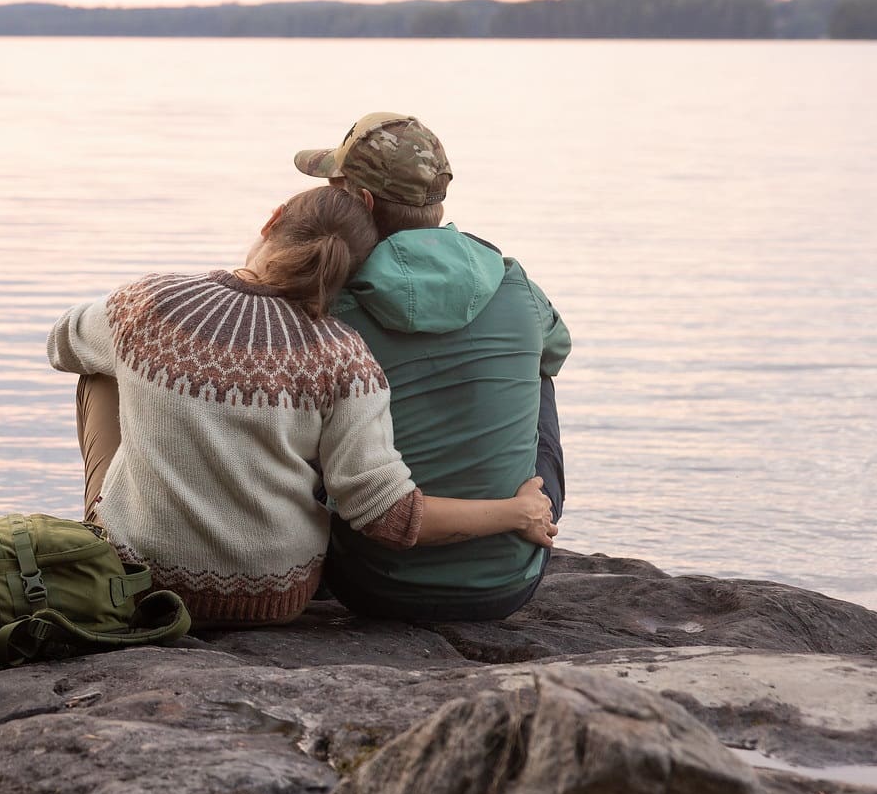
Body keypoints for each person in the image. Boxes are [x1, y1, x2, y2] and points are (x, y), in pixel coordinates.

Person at [47, 185, 555, 628]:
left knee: (101, 367)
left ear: (272, 220)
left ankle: (113, 530)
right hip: (275, 595)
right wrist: (515, 512)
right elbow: (386, 514)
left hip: (144, 580)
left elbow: (61, 344)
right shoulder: (344, 353)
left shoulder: (151, 300)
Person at [294, 112, 569, 621]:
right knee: (537, 369)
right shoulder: (514, 284)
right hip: (510, 582)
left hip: (373, 584)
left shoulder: (329, 311)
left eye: (336, 189)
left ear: (363, 203)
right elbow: (557, 350)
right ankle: (525, 513)